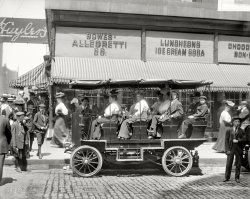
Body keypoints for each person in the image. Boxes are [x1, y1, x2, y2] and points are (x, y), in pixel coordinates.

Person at [223, 117, 246, 183]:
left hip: (238, 149)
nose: (237, 123)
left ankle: (237, 178)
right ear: (233, 122)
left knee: (238, 164)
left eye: (238, 122)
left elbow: (245, 139)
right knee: (228, 163)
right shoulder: (229, 130)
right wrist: (227, 149)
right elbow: (226, 140)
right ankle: (227, 177)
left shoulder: (241, 131)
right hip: (231, 148)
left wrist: (238, 140)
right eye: (235, 121)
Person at [0, 114, 11, 184]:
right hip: (1, 145)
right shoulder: (5, 120)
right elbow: (9, 133)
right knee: (0, 164)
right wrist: (8, 143)